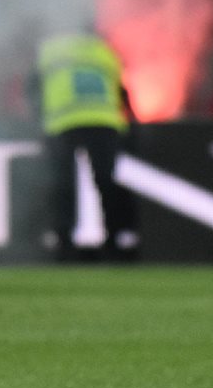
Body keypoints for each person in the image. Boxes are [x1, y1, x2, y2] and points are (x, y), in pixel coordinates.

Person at [29, 26, 138, 261]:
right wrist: (134, 123)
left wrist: (37, 121)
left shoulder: (50, 51)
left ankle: (64, 242)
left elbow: (33, 89)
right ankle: (117, 241)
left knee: (65, 185)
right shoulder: (105, 52)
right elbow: (122, 91)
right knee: (106, 183)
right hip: (104, 122)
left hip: (64, 123)